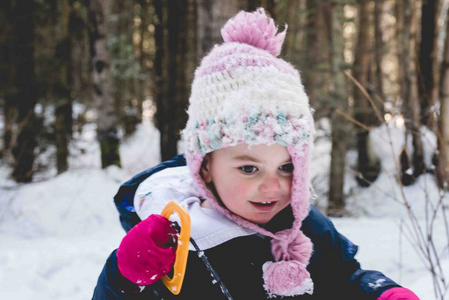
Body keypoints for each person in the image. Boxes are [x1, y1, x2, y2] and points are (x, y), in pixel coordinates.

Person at [93, 8, 419, 300]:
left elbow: (343, 280)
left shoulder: (304, 227)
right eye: (249, 169)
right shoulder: (174, 239)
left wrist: (380, 291)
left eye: (287, 167)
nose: (273, 186)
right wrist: (123, 278)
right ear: (204, 167)